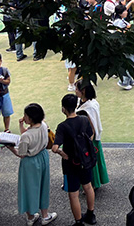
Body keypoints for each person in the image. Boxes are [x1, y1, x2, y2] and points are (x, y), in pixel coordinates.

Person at [8, 103, 57, 226]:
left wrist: (10, 147)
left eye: (26, 115)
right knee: (43, 185)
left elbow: (21, 153)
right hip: (42, 157)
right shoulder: (44, 126)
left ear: (30, 118)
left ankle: (30, 217)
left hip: (30, 163)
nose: (24, 117)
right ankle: (45, 215)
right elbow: (29, 133)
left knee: (29, 188)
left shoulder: (26, 136)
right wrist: (21, 125)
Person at [52, 94, 97, 225]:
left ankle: (78, 222)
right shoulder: (84, 119)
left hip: (70, 163)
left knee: (73, 194)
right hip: (85, 159)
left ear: (63, 109)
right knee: (88, 187)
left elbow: (55, 148)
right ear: (76, 106)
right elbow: (91, 135)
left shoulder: (62, 126)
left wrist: (62, 153)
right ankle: (91, 214)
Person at [76, 82, 109, 189]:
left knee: (89, 161)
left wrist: (88, 140)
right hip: (88, 138)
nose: (75, 91)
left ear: (83, 91)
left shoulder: (89, 107)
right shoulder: (88, 102)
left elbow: (92, 125)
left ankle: (92, 184)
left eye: (77, 89)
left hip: (89, 139)